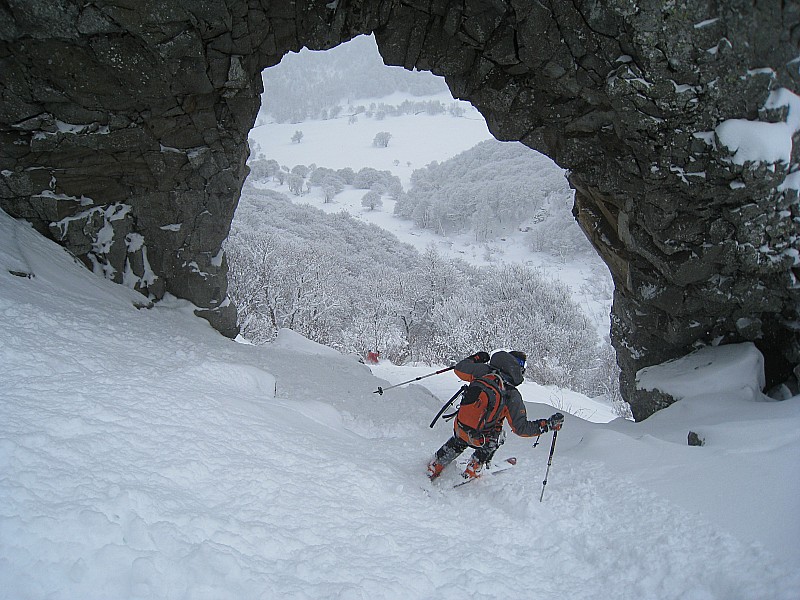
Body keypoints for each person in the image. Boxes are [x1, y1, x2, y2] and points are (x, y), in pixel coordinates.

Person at [427, 350, 564, 481]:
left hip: (460, 427)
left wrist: (477, 358)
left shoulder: (483, 371)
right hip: (481, 438)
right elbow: (521, 428)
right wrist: (548, 425)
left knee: (462, 437)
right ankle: (474, 468)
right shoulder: (511, 394)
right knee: (498, 435)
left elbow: (459, 368)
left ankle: (437, 464)